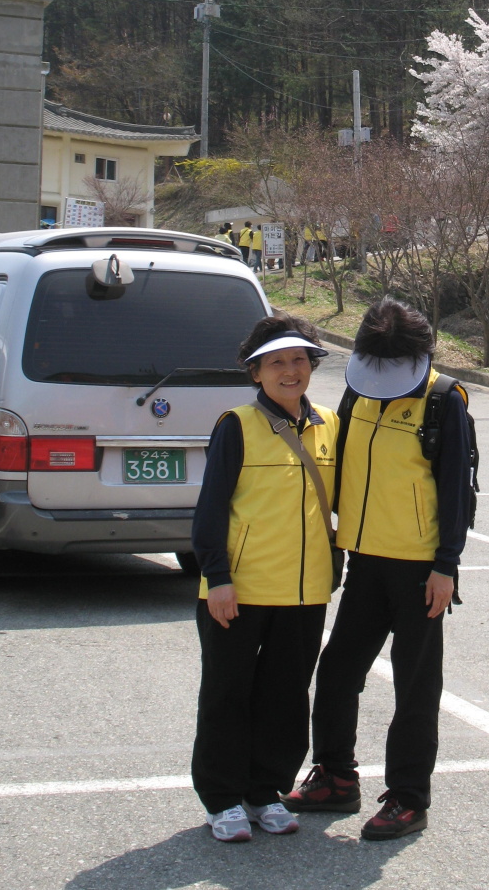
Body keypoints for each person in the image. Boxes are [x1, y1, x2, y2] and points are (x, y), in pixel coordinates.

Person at [284, 298, 472, 841]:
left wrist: (446, 566)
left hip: (420, 570)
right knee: (339, 669)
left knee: (415, 687)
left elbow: (457, 491)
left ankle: (409, 797)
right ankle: (337, 776)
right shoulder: (358, 390)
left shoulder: (444, 401)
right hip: (364, 560)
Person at [191, 312, 338, 843]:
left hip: (304, 592)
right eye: (277, 362)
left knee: (285, 694)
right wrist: (218, 578)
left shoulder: (328, 424)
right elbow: (210, 511)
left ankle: (264, 791)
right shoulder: (237, 425)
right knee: (227, 693)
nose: (290, 370)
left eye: (299, 359)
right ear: (256, 373)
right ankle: (223, 798)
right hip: (239, 588)